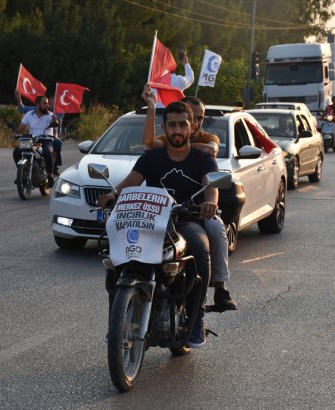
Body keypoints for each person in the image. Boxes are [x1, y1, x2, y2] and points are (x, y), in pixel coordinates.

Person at [97, 101, 218, 348]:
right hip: (150, 221)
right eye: (171, 125)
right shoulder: (152, 157)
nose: (177, 130)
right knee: (117, 260)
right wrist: (113, 195)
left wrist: (210, 203)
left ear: (191, 126)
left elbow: (211, 187)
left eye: (182, 124)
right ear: (164, 127)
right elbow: (130, 182)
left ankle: (197, 319)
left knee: (200, 248)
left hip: (185, 220)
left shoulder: (202, 159)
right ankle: (116, 322)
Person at [140, 84, 238, 313]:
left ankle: (219, 288)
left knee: (215, 228)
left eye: (196, 120)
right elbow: (147, 146)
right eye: (174, 124)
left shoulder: (200, 138)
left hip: (197, 210)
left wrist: (178, 144)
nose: (196, 123)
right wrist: (152, 107)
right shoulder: (165, 142)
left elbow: (211, 150)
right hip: (162, 212)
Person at [15, 95, 61, 177]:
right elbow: (22, 127)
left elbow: (56, 124)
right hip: (32, 139)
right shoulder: (29, 115)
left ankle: (50, 174)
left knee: (47, 152)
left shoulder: (51, 115)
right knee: (17, 151)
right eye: (45, 103)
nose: (47, 106)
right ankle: (22, 172)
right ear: (38, 104)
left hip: (46, 139)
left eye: (47, 103)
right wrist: (16, 132)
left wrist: (55, 121)